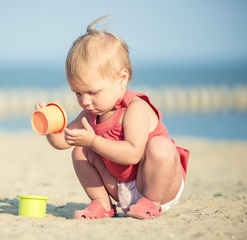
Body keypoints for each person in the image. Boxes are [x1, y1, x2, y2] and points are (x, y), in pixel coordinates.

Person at [34, 16, 189, 220]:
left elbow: (133, 154)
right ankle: (102, 204)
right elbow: (63, 141)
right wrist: (51, 126)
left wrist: (94, 141)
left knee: (160, 146)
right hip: (122, 188)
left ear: (121, 79)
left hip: (158, 185)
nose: (85, 101)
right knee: (80, 151)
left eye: (92, 92)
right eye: (78, 93)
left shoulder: (135, 108)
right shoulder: (91, 114)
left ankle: (151, 203)